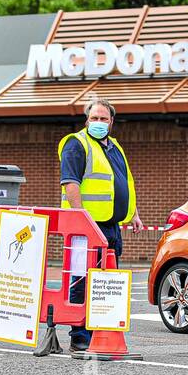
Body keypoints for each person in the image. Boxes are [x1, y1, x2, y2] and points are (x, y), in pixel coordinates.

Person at [59, 98, 144, 351]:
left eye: (103, 119)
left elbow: (124, 183)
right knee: (82, 280)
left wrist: (134, 214)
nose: (98, 122)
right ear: (87, 120)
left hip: (110, 226)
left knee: (106, 281)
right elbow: (70, 183)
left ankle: (100, 332)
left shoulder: (114, 147)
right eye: (94, 118)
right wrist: (81, 218)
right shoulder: (77, 144)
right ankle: (80, 336)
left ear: (111, 122)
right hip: (86, 226)